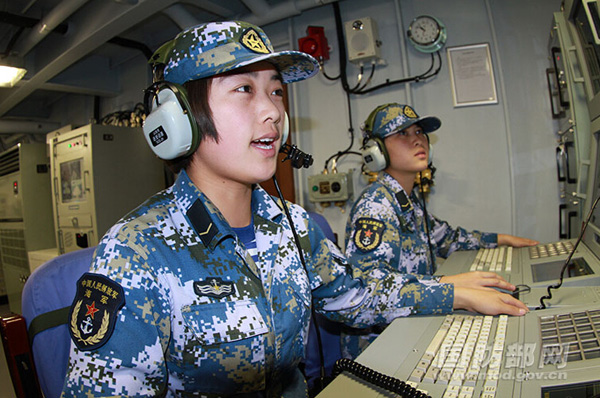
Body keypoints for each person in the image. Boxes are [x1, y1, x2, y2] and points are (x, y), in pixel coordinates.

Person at [60, 23, 529, 397]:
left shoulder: (294, 226)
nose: (272, 111)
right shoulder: (137, 251)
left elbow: (357, 297)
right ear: (179, 118)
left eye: (276, 91)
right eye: (244, 89)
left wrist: (452, 293)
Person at [342, 103, 539, 359]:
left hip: (407, 328)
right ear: (376, 151)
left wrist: (503, 239)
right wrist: (453, 289)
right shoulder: (376, 206)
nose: (417, 141)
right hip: (378, 347)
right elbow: (369, 289)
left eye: (420, 132)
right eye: (403, 134)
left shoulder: (407, 202)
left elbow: (448, 239)